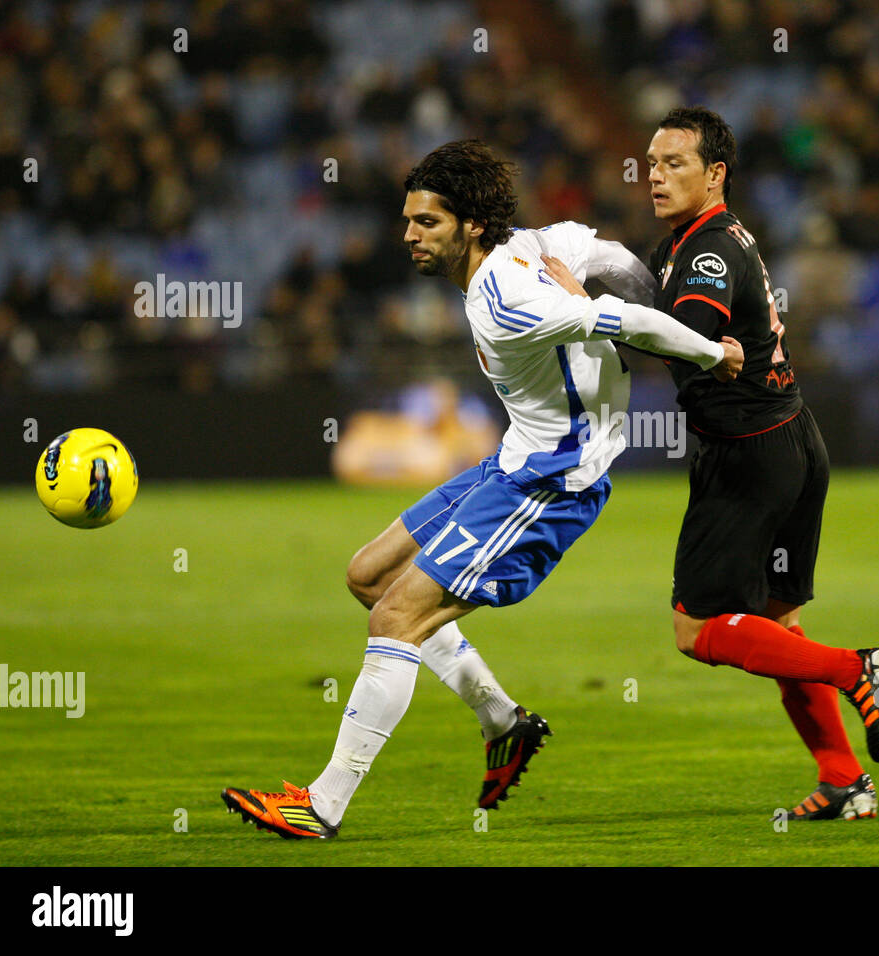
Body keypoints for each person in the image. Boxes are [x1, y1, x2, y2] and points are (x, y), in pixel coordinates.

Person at [222, 140, 743, 838]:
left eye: (427, 223)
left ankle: (322, 806)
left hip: (553, 479)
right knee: (370, 576)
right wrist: (613, 290)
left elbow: (629, 318)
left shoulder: (508, 299)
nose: (409, 235)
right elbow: (609, 255)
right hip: (513, 459)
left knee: (394, 620)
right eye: (407, 220)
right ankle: (504, 722)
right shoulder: (535, 243)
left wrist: (713, 350)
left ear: (470, 225)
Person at [543, 108, 879, 821]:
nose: (656, 176)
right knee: (775, 627)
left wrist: (586, 307)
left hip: (746, 458)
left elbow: (687, 336)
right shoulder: (695, 241)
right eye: (651, 164)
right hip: (791, 441)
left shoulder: (708, 251)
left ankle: (857, 667)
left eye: (675, 164)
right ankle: (843, 780)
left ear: (715, 175)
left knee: (697, 629)